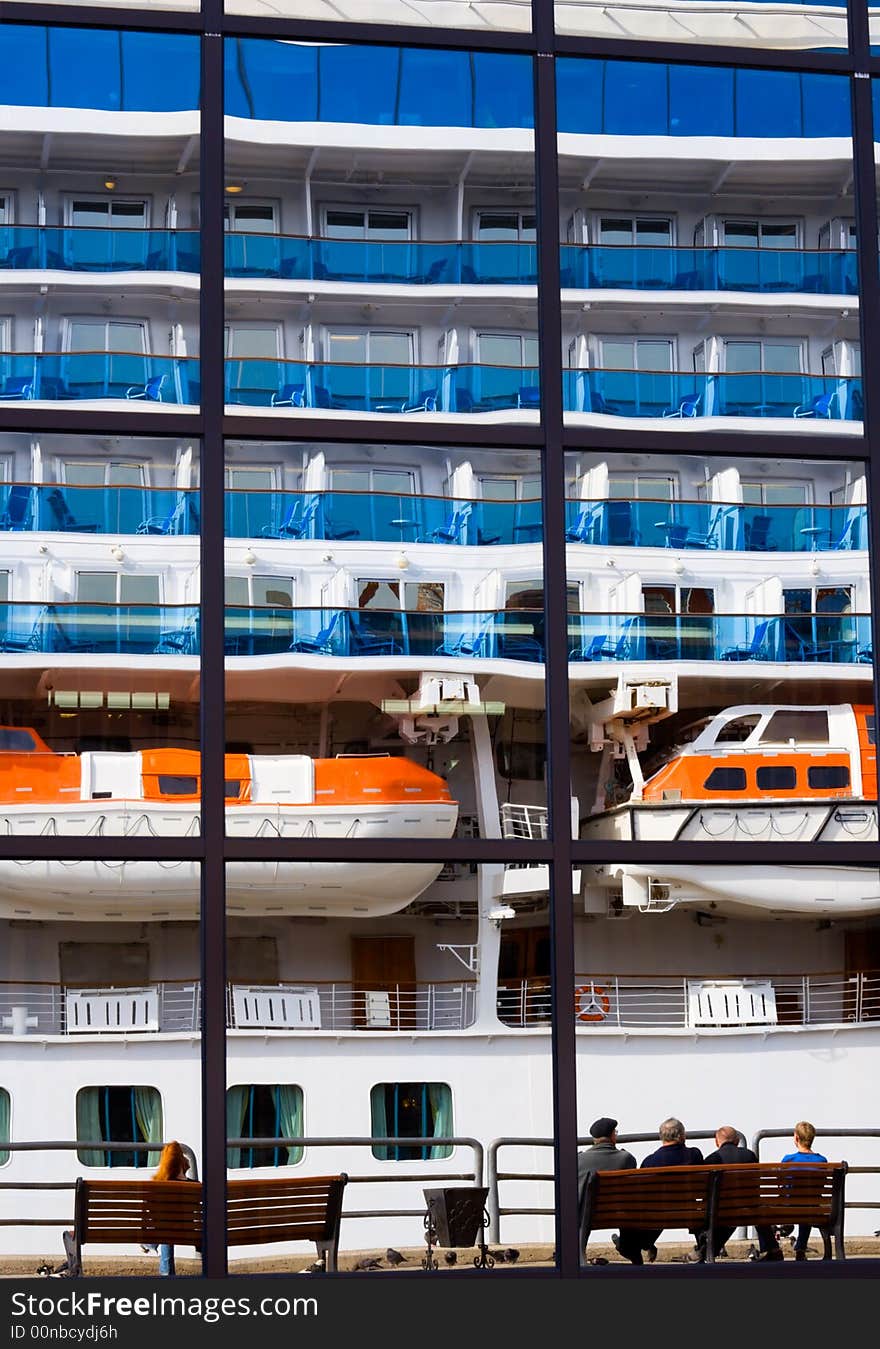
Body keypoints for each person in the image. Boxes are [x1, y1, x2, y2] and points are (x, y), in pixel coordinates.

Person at [614, 1118, 703, 1265]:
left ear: (661, 1137)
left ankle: (636, 1246)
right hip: (690, 1213)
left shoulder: (650, 1162)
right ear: (682, 1136)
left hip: (657, 1215)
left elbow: (640, 1195)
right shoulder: (694, 1155)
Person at [698, 1125, 783, 1263]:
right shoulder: (749, 1155)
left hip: (721, 1212)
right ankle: (773, 1249)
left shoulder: (711, 1160)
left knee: (723, 1211)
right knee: (755, 1206)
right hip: (749, 1209)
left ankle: (707, 1250)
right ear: (737, 1141)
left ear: (716, 1142)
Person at [577, 1117, 636, 1261]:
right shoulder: (626, 1158)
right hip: (620, 1214)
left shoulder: (578, 1160)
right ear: (612, 1136)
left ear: (594, 1139)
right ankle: (631, 1250)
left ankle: (579, 1252)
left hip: (586, 1216)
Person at [142, 1140, 192, 1276]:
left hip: (167, 1230)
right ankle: (149, 1244)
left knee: (166, 1225)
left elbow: (150, 1213)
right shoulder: (195, 1185)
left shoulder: (159, 1186)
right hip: (190, 1231)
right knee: (169, 1224)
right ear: (182, 1164)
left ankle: (150, 1245)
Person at [780, 1121, 828, 1262]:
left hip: (789, 1208)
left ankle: (773, 1248)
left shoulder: (788, 1160)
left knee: (800, 1202)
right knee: (808, 1203)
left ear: (796, 1138)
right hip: (812, 1208)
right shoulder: (821, 1161)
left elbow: (782, 1185)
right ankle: (800, 1248)